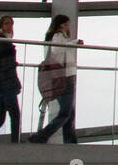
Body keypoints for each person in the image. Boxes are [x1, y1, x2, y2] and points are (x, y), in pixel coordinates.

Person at [28, 15, 82, 144]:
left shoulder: (57, 37)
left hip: (61, 76)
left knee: (69, 112)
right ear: (61, 25)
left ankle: (70, 141)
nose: (68, 26)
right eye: (66, 24)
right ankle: (42, 136)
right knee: (65, 113)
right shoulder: (58, 36)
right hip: (65, 76)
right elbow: (57, 49)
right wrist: (74, 42)